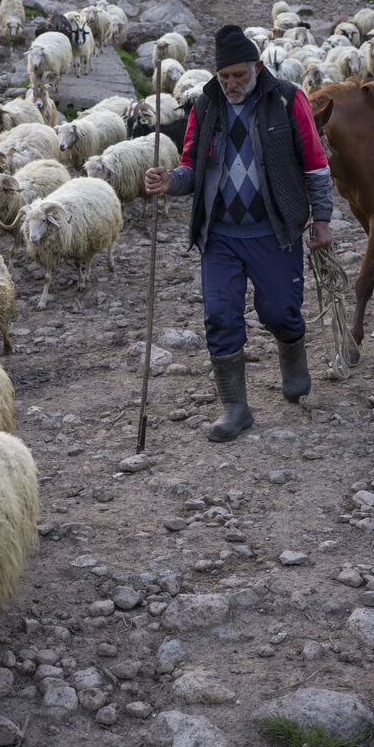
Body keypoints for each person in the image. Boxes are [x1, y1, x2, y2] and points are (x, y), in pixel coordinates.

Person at [145, 24, 333, 443]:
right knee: (220, 315)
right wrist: (170, 180)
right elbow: (191, 166)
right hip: (220, 235)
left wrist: (321, 219)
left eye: (239, 75)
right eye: (225, 76)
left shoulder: (287, 100)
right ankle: (235, 407)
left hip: (274, 230)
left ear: (256, 67)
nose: (231, 83)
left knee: (279, 311)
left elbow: (316, 163)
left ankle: (293, 358)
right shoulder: (205, 105)